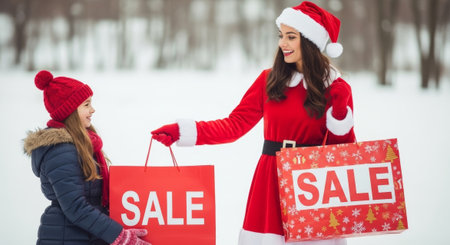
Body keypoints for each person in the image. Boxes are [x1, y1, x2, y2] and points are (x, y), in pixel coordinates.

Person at [152, 1, 355, 245]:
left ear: (311, 42)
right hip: (270, 179)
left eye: (291, 37)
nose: (282, 43)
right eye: (281, 36)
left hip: (312, 183)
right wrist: (183, 131)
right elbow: (234, 124)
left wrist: (341, 112)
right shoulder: (269, 80)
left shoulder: (334, 87)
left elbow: (344, 154)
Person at [24, 70, 151, 245]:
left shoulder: (82, 144)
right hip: (67, 237)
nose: (92, 109)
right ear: (70, 110)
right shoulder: (61, 151)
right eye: (86, 104)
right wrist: (119, 236)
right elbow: (75, 207)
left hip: (83, 235)